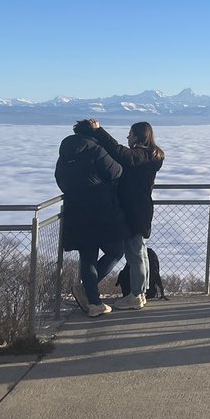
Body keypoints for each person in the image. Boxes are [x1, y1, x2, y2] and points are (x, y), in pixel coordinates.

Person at [88, 119, 164, 311]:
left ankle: (136, 295)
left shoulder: (140, 155)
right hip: (143, 208)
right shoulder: (152, 156)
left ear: (139, 135)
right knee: (140, 250)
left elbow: (119, 152)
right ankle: (142, 292)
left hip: (134, 210)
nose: (128, 137)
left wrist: (99, 131)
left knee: (135, 252)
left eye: (130, 133)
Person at [54, 120, 126, 318]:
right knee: (116, 250)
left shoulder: (65, 154)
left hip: (75, 211)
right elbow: (116, 171)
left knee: (87, 255)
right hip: (101, 211)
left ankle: (94, 303)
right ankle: (88, 290)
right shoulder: (96, 150)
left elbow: (60, 179)